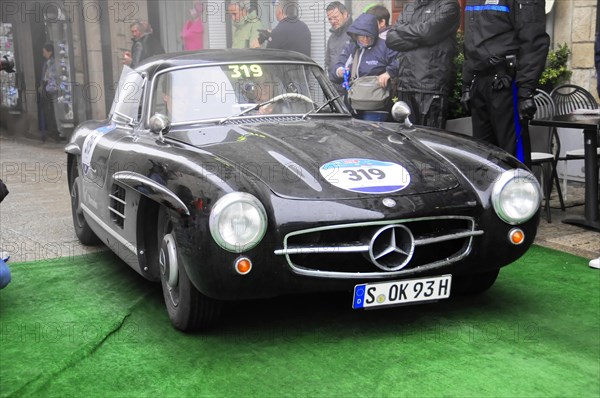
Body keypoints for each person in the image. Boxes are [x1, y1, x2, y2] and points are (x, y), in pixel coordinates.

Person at [460, 0, 550, 168]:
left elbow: (533, 42)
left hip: (506, 83)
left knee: (513, 156)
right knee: (482, 157)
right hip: (479, 82)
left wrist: (525, 91)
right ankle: (489, 194)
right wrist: (466, 84)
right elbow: (470, 42)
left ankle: (520, 193)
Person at [386, 0, 460, 129]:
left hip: (430, 84)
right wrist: (420, 38)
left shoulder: (449, 5)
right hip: (405, 83)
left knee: (429, 138)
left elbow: (427, 32)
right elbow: (391, 38)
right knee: (405, 138)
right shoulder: (410, 6)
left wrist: (403, 31)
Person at [332, 13, 399, 116]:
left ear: (375, 33)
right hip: (354, 104)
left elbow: (400, 60)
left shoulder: (384, 46)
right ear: (355, 35)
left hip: (377, 106)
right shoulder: (351, 47)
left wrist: (388, 73)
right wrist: (339, 71)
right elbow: (335, 70)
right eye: (362, 36)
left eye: (369, 36)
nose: (366, 39)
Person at [325, 2, 352, 94]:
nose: (332, 21)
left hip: (350, 88)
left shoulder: (354, 34)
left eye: (335, 17)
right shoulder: (331, 38)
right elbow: (328, 63)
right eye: (329, 19)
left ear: (344, 14)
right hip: (334, 89)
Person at [38, 42, 60, 142]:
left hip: (51, 90)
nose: (43, 54)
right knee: (48, 111)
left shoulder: (53, 63)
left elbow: (51, 77)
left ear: (50, 52)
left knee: (53, 111)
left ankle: (56, 132)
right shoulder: (47, 62)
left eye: (44, 52)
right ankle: (52, 131)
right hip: (47, 89)